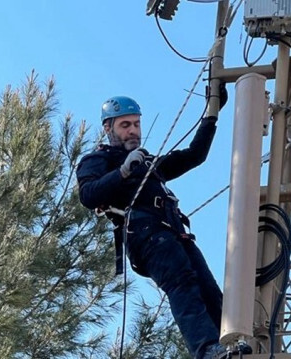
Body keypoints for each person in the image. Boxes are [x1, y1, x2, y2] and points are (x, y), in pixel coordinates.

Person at [76, 95, 229, 359]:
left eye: (136, 124)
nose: (133, 130)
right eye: (125, 125)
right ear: (108, 128)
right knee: (183, 285)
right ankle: (207, 350)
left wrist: (211, 115)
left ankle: (226, 347)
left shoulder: (147, 163)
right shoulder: (100, 159)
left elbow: (193, 156)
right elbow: (89, 194)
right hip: (146, 236)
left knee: (209, 291)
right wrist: (123, 171)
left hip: (174, 233)